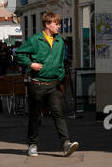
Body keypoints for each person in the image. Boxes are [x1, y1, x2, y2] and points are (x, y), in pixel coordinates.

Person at [15, 11, 79, 157]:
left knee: (58, 113)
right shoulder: (35, 40)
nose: (59, 26)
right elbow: (19, 54)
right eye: (56, 23)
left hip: (53, 85)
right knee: (35, 115)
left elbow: (62, 62)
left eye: (58, 23)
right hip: (37, 84)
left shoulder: (60, 42)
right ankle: (32, 144)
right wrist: (31, 64)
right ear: (47, 24)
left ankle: (66, 143)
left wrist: (61, 76)